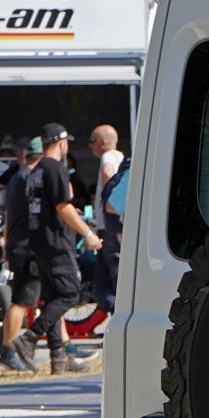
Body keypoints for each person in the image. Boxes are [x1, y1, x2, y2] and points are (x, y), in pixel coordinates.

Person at [4, 125, 99, 374]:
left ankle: (60, 358)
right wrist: (88, 233)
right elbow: (62, 206)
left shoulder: (35, 172)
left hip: (38, 242)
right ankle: (28, 339)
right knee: (69, 294)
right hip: (56, 242)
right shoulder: (55, 167)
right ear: (61, 143)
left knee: (54, 298)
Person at [0, 138, 41, 370]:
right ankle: (9, 352)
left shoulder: (16, 177)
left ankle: (64, 348)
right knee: (21, 302)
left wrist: (6, 243)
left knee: (26, 299)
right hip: (26, 245)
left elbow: (8, 216)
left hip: (15, 243)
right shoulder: (30, 179)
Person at [88, 124, 125, 317]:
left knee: (111, 276)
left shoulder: (108, 156)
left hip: (108, 227)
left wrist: (109, 197)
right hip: (113, 226)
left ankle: (119, 312)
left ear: (103, 142)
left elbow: (107, 173)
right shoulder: (122, 157)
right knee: (102, 280)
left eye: (92, 141)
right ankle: (116, 311)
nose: (90, 146)